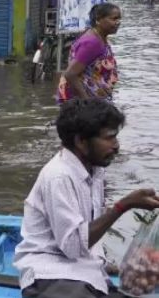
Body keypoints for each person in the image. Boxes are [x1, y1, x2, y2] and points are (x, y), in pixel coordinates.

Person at [13, 99, 159, 298]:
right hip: (51, 274)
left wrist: (107, 265)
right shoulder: (59, 176)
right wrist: (123, 205)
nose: (116, 146)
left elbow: (85, 230)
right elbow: (73, 247)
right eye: (109, 138)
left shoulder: (95, 169)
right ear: (81, 141)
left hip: (83, 272)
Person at [57, 3, 121, 103]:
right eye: (114, 19)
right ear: (99, 19)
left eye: (119, 19)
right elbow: (70, 74)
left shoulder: (99, 37)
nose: (118, 22)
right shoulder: (92, 42)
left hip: (95, 98)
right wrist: (87, 103)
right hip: (81, 102)